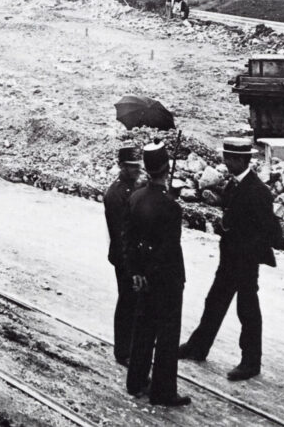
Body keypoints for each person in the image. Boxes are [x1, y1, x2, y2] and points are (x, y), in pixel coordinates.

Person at [179, 137, 281, 382]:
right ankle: (198, 347)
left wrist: (247, 254)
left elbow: (272, 234)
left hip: (245, 263)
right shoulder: (233, 186)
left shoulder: (258, 192)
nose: (225, 162)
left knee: (247, 311)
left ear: (240, 160)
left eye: (229, 158)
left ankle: (250, 363)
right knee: (213, 302)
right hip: (229, 261)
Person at [125, 143, 191, 407]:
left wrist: (137, 272)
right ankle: (163, 392)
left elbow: (128, 239)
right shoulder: (171, 208)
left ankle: (136, 381)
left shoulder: (135, 197)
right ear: (166, 169)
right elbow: (168, 250)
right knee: (166, 335)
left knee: (142, 329)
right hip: (167, 281)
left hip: (143, 279)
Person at [103, 144, 142, 366]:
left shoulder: (133, 187)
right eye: (131, 167)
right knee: (127, 302)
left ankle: (132, 344)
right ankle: (123, 350)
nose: (136, 170)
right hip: (124, 257)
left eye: (137, 166)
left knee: (135, 302)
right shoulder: (115, 194)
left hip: (134, 256)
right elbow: (121, 234)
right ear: (121, 166)